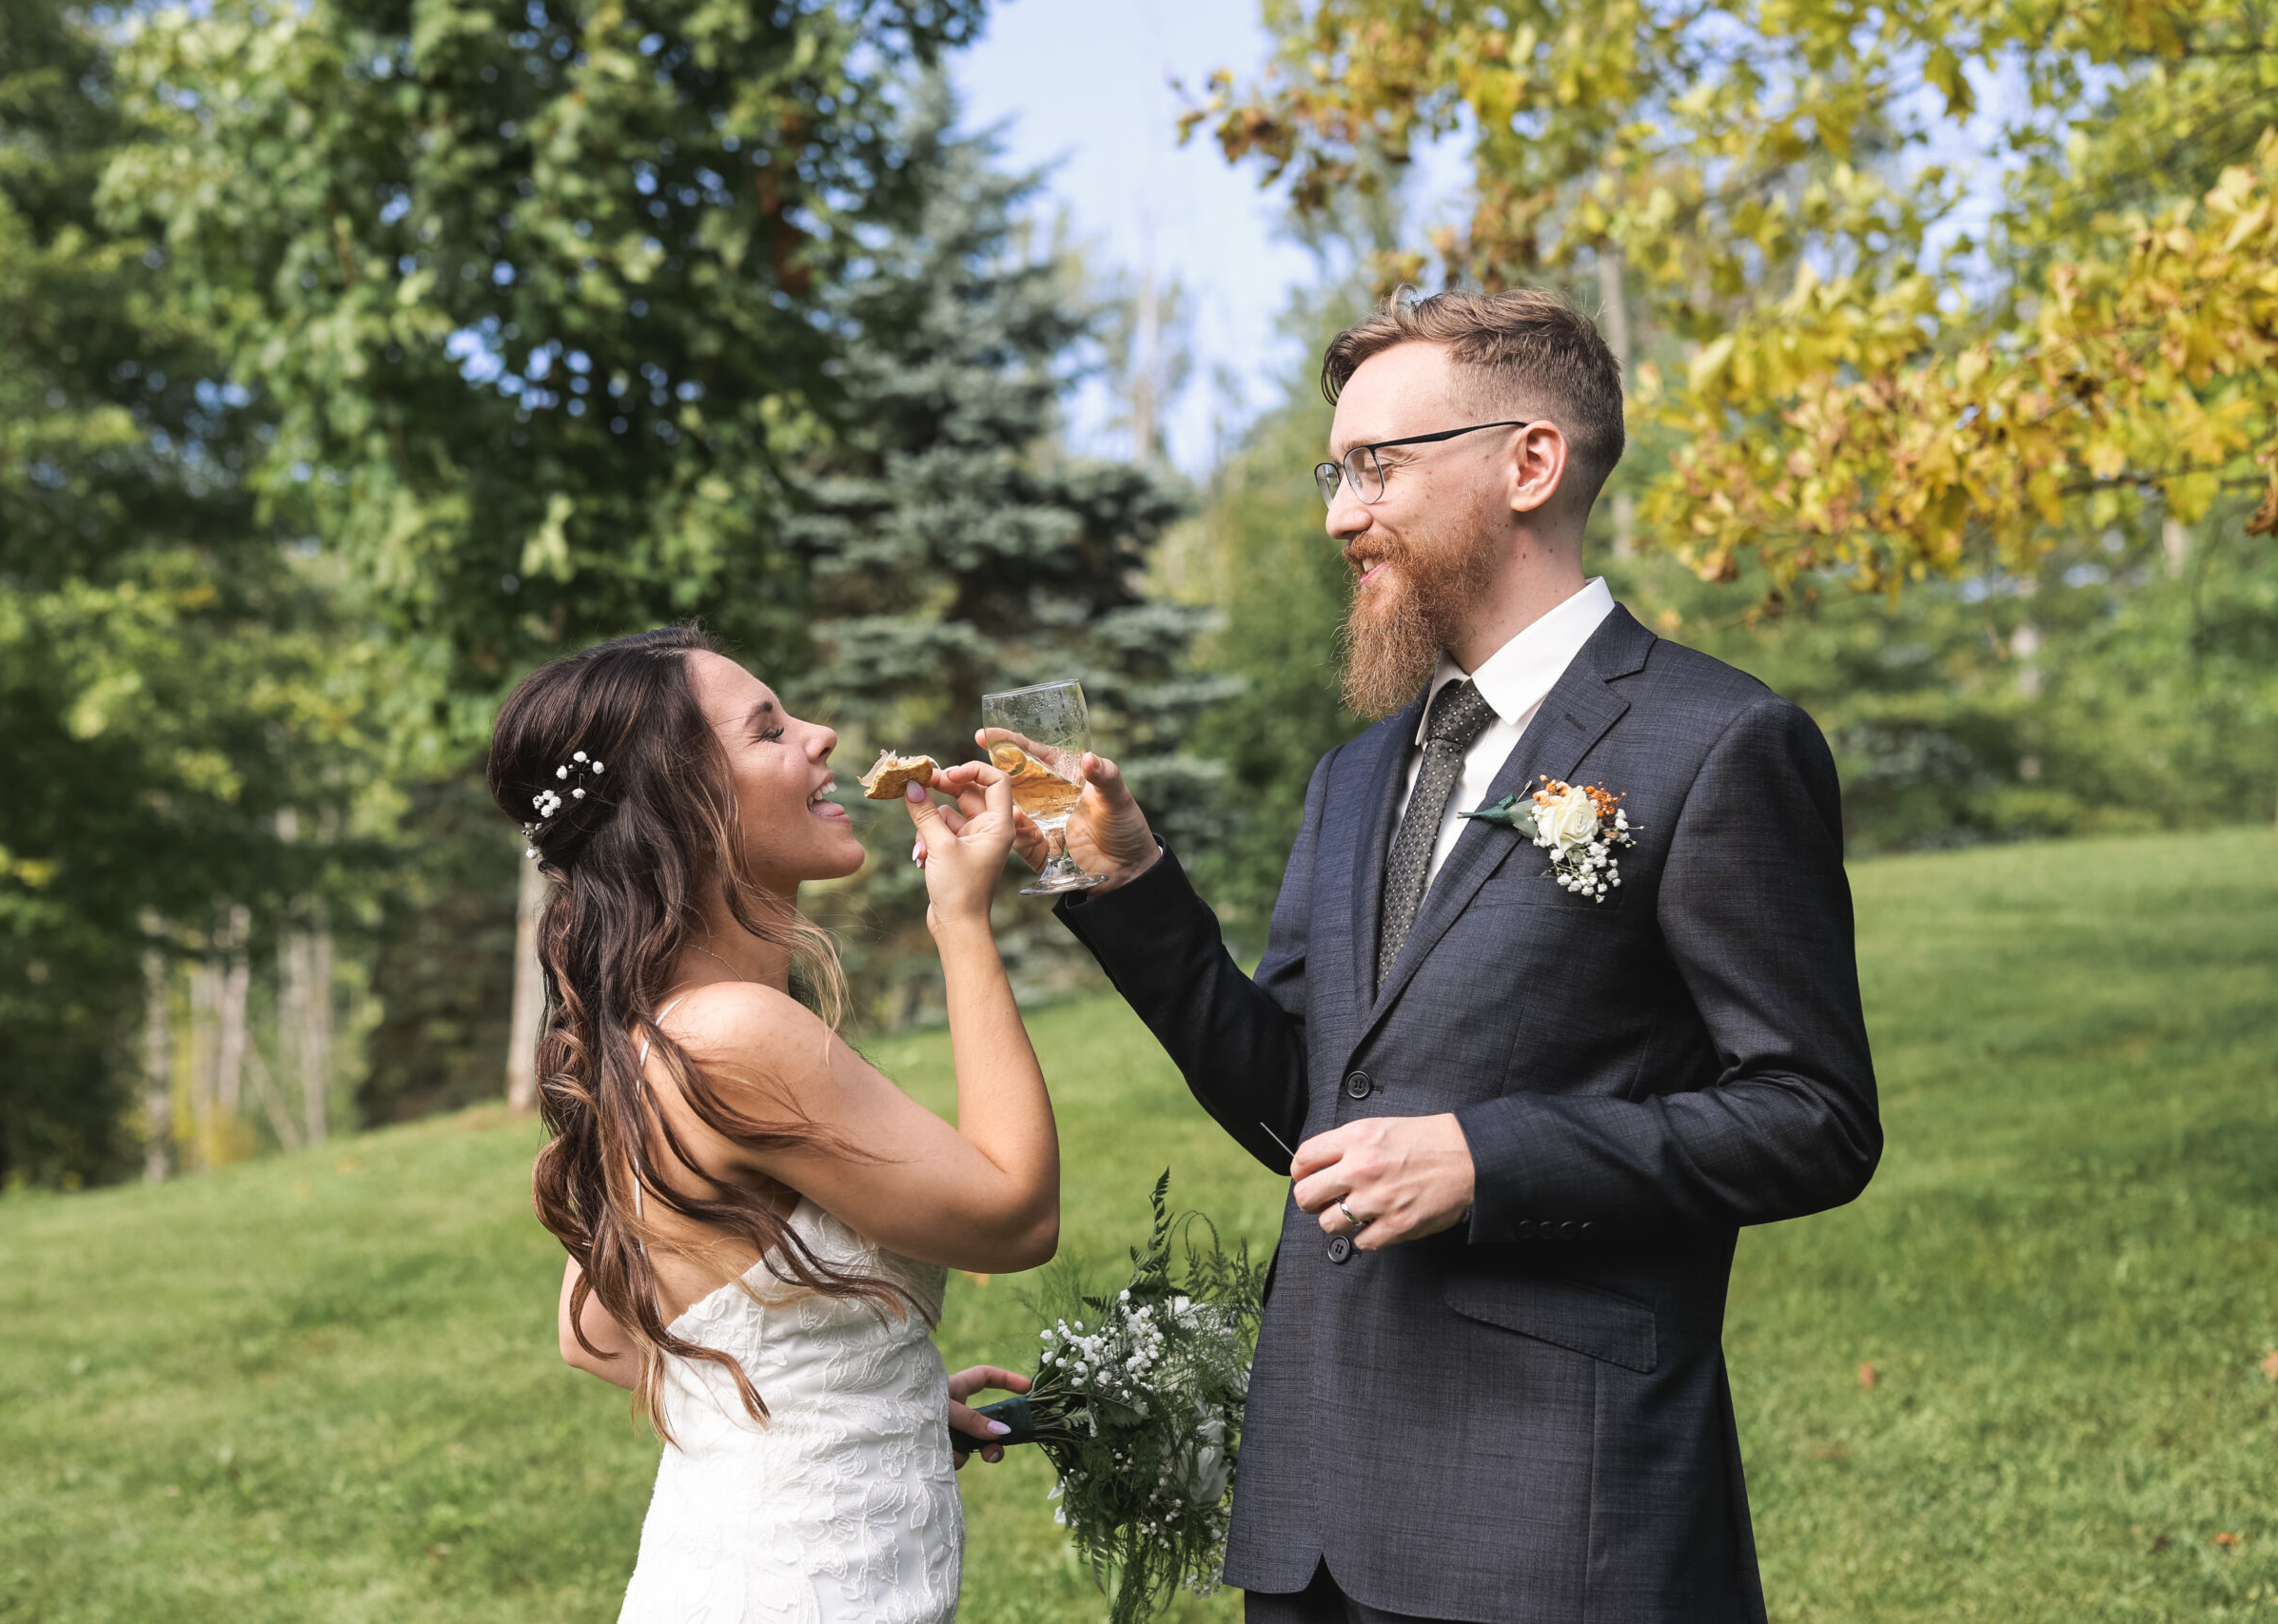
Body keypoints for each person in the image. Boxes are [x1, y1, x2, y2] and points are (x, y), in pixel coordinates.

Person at [928, 288, 1881, 1622]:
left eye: (1379, 465)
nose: (1339, 513)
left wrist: (1490, 1155)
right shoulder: (1358, 773)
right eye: (1338, 469)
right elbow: (1309, 1109)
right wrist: (1126, 881)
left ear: (1529, 463)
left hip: (1561, 1520)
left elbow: (1814, 1118)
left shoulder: (1717, 742)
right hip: (1317, 1514)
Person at [488, 625, 1052, 1624]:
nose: (823, 735)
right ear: (683, 809)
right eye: (769, 730)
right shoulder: (737, 1037)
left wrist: (860, 1398)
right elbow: (1014, 1219)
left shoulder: (649, 1035)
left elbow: (592, 1334)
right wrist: (961, 920)